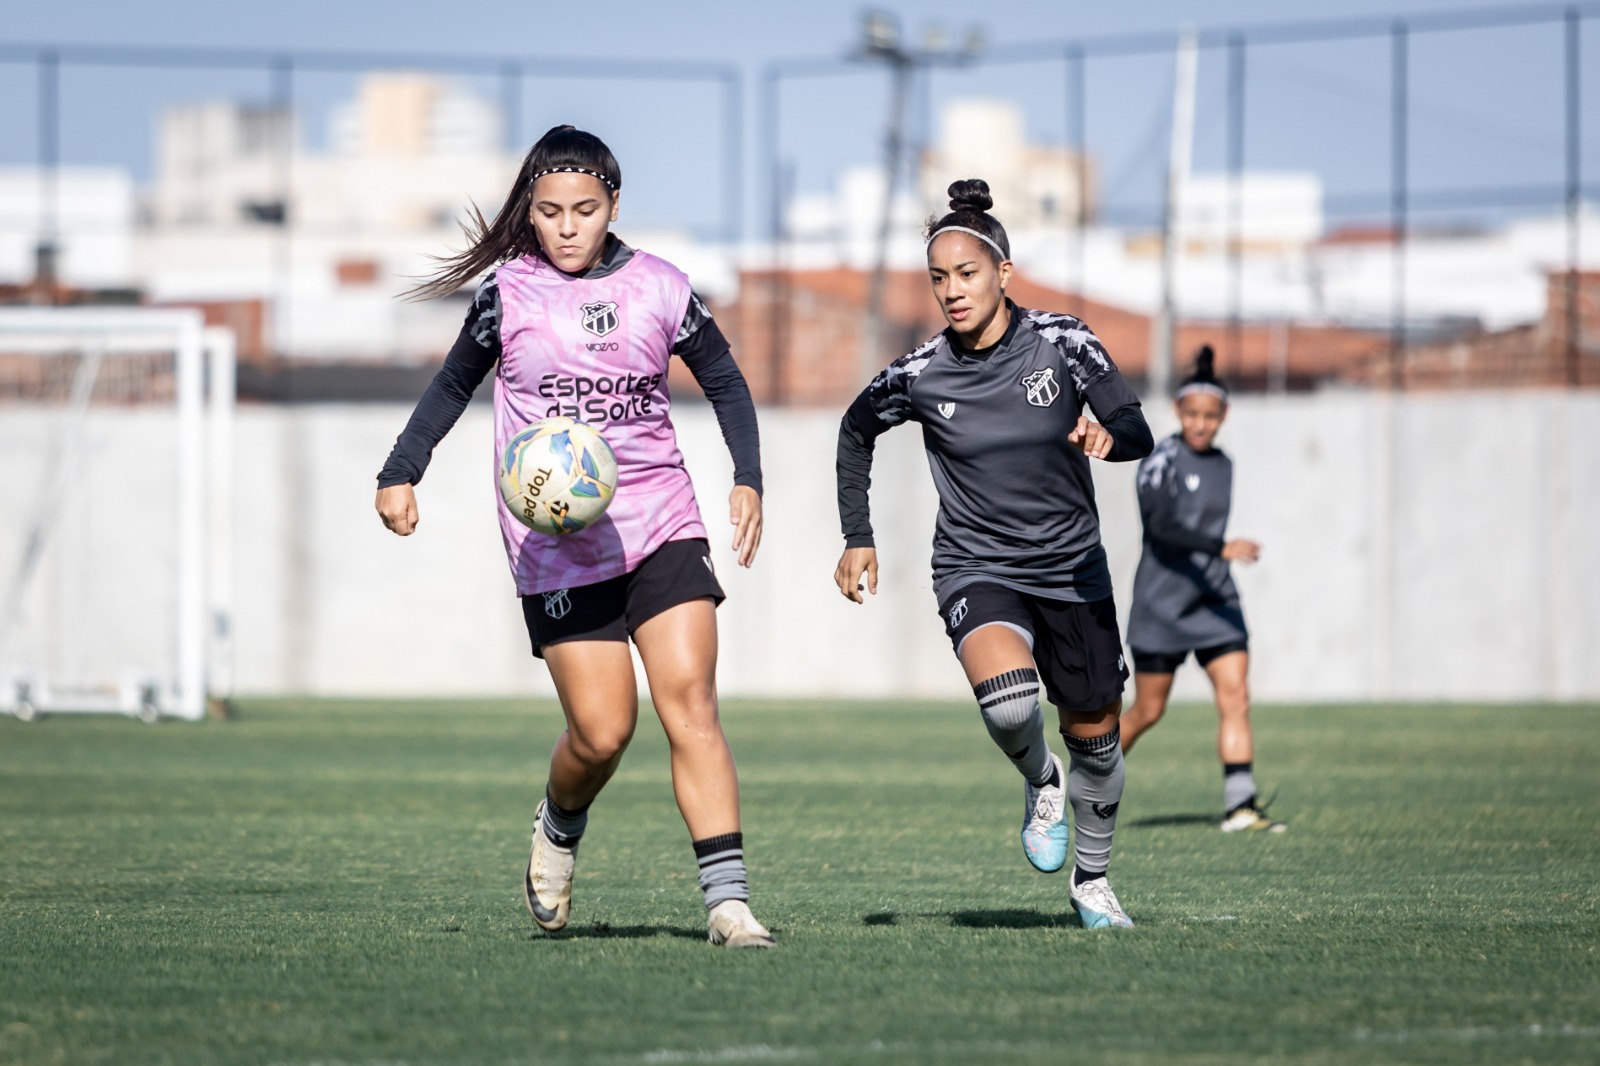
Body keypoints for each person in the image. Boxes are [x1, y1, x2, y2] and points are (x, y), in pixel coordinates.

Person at [375, 125, 775, 947]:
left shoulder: (661, 287)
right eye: (550, 211)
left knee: (692, 702)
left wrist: (747, 477)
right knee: (603, 732)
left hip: (661, 522)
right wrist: (399, 470)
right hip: (557, 544)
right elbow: (453, 383)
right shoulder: (508, 294)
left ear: (613, 207)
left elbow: (728, 382)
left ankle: (729, 907)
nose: (565, 226)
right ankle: (559, 823)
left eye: (584, 210)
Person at [833, 179, 1154, 929]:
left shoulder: (1065, 342)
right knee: (1011, 707)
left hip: (1073, 571)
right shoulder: (919, 373)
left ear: (1003, 273)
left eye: (966, 274)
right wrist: (857, 534)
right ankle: (1040, 780)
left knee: (1099, 749)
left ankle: (1092, 882)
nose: (951, 291)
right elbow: (854, 430)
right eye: (938, 278)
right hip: (978, 567)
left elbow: (1135, 427)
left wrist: (1108, 438)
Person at [1120, 346, 1285, 833]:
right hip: (1162, 604)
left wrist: (1220, 555)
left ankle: (1241, 806)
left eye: (1210, 416)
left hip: (1214, 601)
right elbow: (1161, 528)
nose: (1200, 424)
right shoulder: (1158, 460)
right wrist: (1220, 546)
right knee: (1148, 709)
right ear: (1178, 410)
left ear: (1223, 416)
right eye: (1192, 414)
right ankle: (1088, 778)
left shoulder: (1225, 463)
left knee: (1236, 696)